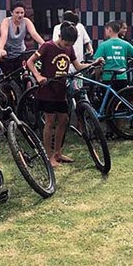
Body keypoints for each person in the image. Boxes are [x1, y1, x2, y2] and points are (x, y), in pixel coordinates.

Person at [26, 23, 95, 167]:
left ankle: (58, 152)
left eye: (70, 44)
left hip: (61, 90)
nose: (66, 46)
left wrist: (94, 64)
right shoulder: (47, 46)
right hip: (47, 90)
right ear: (59, 36)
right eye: (65, 43)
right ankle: (48, 155)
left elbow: (78, 66)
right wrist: (38, 76)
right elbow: (30, 62)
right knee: (50, 121)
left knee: (64, 120)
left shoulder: (69, 49)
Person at [93, 20, 133, 92]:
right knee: (120, 101)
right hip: (122, 78)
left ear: (109, 30)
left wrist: (97, 79)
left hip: (108, 79)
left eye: (105, 30)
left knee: (107, 102)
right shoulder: (125, 44)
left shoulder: (103, 45)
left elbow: (97, 65)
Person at [0, 1, 45, 76]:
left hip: (21, 53)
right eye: (17, 13)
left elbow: (34, 34)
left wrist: (45, 45)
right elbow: (4, 36)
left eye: (22, 13)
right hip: (8, 54)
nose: (20, 15)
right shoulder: (6, 21)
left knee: (26, 74)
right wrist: (1, 49)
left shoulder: (26, 21)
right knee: (9, 78)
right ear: (11, 13)